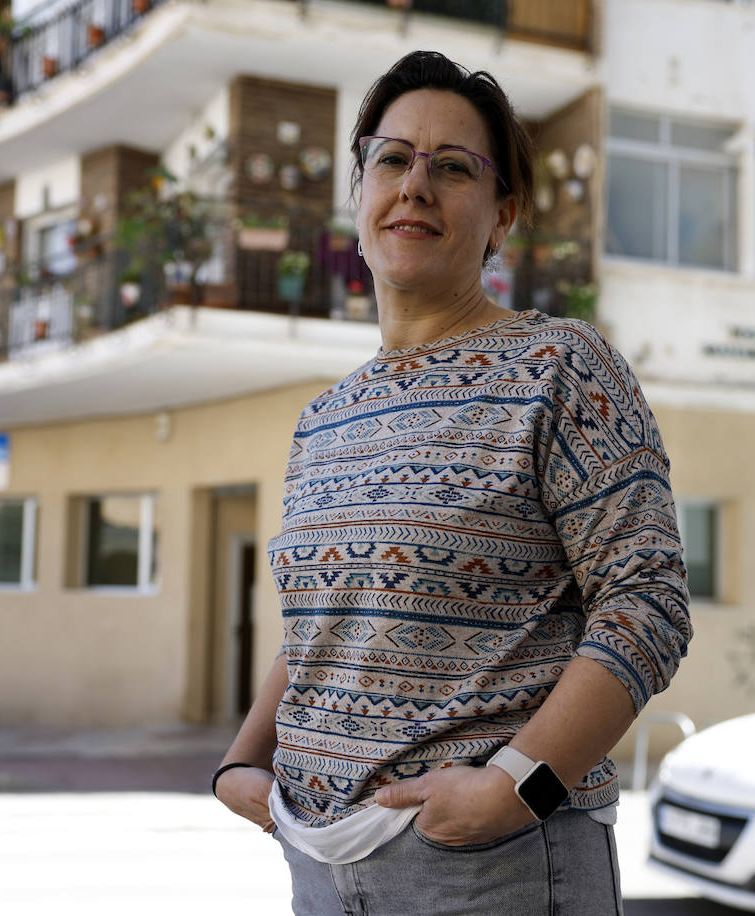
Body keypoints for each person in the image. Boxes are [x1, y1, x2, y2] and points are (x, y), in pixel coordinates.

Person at [214, 50, 692, 915]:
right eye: (393, 159)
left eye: (453, 167)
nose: (416, 185)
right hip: (320, 868)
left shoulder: (559, 366)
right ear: (359, 195)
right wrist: (241, 762)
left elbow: (646, 604)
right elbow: (321, 628)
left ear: (502, 214)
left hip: (492, 868)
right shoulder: (326, 417)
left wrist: (517, 787)